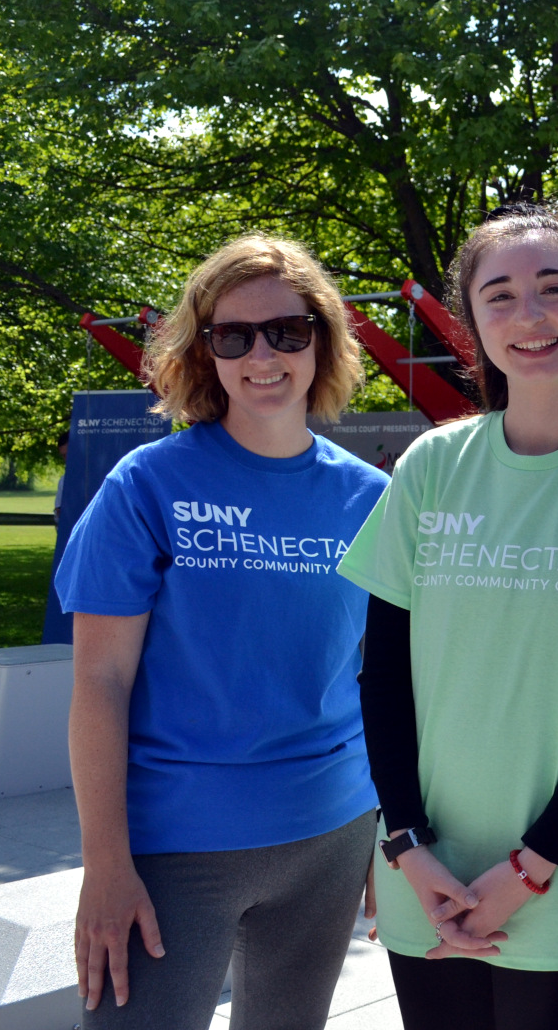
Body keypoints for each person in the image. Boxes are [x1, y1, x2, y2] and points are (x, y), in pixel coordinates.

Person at [337, 205, 558, 1030]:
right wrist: (405, 845)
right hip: (421, 871)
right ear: (472, 326)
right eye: (499, 295)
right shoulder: (433, 464)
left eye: (553, 289)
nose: (528, 316)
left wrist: (530, 870)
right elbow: (381, 674)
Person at [58, 237, 391, 1028]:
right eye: (232, 335)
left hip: (334, 835)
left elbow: (380, 680)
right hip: (177, 850)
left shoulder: (373, 498)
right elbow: (99, 684)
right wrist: (104, 865)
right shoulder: (147, 484)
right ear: (204, 350)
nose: (262, 355)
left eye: (287, 330)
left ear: (324, 338)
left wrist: (390, 829)